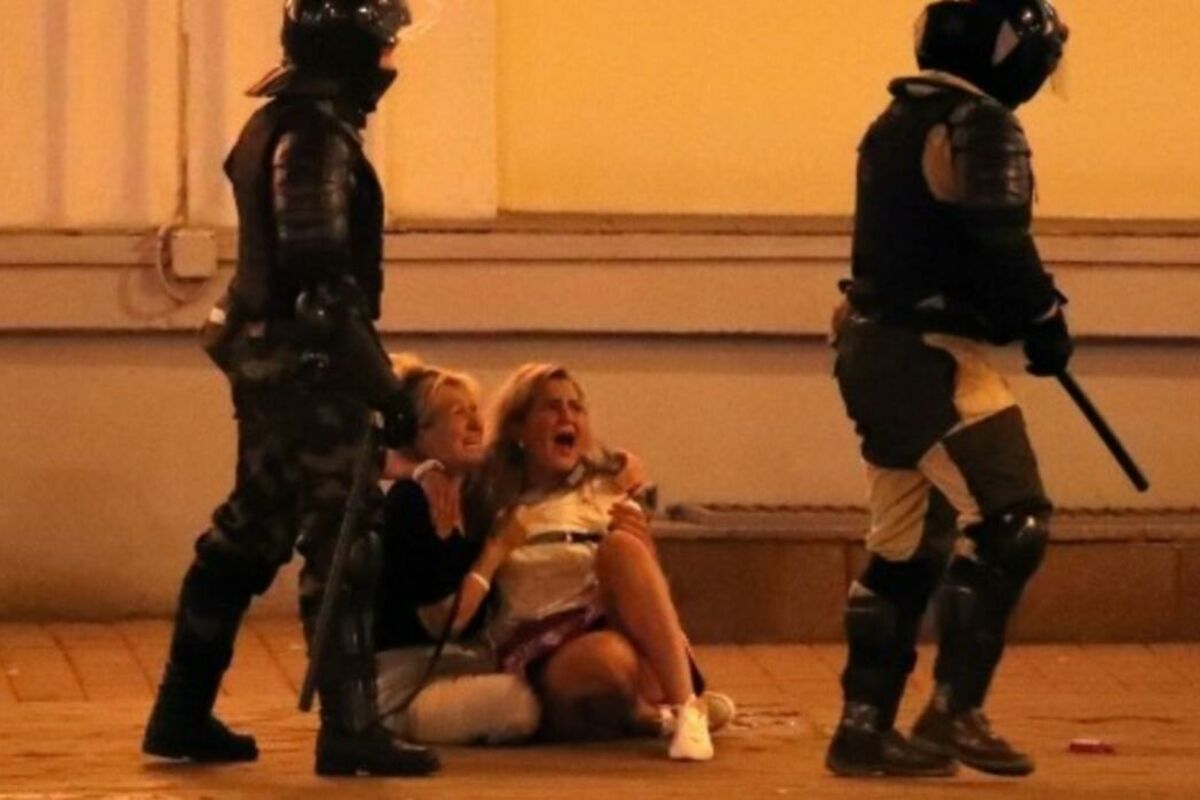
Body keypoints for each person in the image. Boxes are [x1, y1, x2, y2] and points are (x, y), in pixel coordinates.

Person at [142, 0, 440, 777]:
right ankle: (350, 728)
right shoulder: (313, 137)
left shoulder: (283, 122)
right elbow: (321, 287)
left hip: (273, 360)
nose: (389, 64)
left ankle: (180, 711)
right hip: (309, 369)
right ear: (347, 53)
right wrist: (385, 388)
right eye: (382, 48)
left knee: (253, 529)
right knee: (345, 541)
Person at [825, 0, 1071, 779]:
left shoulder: (894, 120)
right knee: (1012, 520)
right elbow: (1001, 245)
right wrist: (1044, 319)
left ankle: (862, 732)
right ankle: (953, 711)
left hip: (873, 352)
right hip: (929, 359)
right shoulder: (978, 124)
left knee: (904, 550)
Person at [455, 363, 729, 761]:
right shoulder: (491, 499)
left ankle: (687, 708)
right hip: (547, 649)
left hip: (621, 633)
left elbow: (649, 591)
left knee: (621, 546)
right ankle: (650, 715)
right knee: (608, 657)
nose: (567, 417)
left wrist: (642, 543)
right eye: (551, 407)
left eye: (576, 408)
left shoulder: (608, 490)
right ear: (518, 427)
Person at [372, 355, 541, 745]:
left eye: (474, 411)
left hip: (463, 668)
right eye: (458, 414)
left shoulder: (473, 502)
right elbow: (443, 622)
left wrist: (617, 465)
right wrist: (494, 554)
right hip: (409, 683)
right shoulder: (409, 503)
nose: (476, 424)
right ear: (420, 434)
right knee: (518, 703)